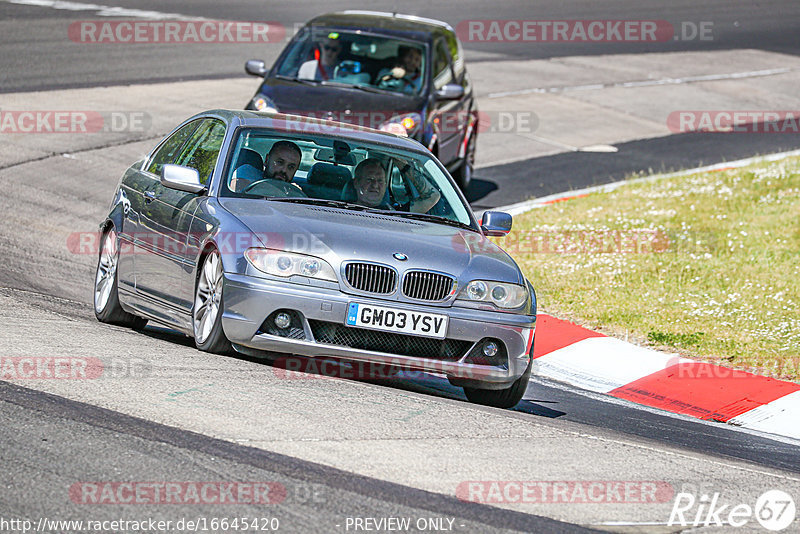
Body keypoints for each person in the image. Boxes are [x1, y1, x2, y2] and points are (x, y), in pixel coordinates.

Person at [351, 157, 440, 213]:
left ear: (386, 185)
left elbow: (433, 196)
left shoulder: (396, 213)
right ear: (356, 183)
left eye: (380, 180)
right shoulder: (341, 208)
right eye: (369, 179)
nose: (375, 185)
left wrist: (402, 165)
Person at [231, 140, 302, 193]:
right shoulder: (248, 171)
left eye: (291, 167)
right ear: (267, 160)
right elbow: (236, 189)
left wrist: (295, 195)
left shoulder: (292, 191)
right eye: (280, 162)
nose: (284, 170)